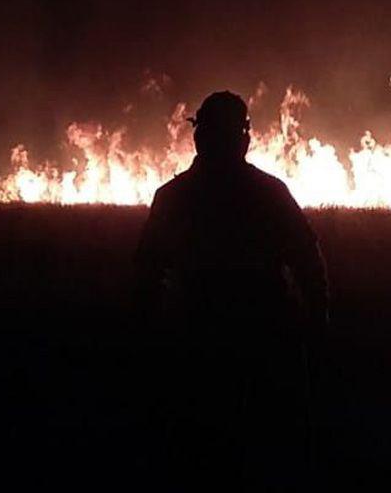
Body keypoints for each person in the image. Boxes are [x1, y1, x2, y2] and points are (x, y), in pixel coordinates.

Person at [134, 90, 329, 430]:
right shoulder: (270, 193)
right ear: (244, 138)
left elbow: (146, 274)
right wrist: (317, 321)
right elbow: (308, 262)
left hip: (197, 338)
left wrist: (148, 333)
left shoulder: (173, 197)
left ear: (199, 137)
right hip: (262, 335)